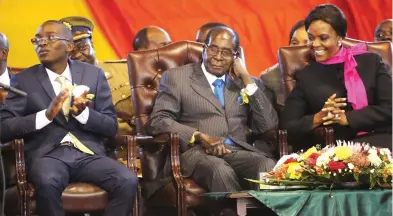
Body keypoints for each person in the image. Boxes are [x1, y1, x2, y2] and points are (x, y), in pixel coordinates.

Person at [0, 20, 138, 216]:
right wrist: (45, 116)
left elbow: (110, 126)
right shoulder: (23, 80)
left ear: (70, 46)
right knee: (47, 182)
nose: (42, 44)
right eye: (37, 40)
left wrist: (83, 113)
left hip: (88, 154)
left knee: (127, 180)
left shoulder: (94, 75)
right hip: (47, 155)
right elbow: (4, 128)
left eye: (50, 38)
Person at [147, 26, 277, 197]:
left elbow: (268, 125)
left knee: (266, 166)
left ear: (235, 56)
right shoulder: (177, 78)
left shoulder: (245, 82)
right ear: (204, 49)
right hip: (197, 154)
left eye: (226, 52)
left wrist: (245, 77)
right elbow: (158, 120)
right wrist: (199, 136)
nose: (217, 57)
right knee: (220, 171)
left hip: (237, 151)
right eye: (213, 49)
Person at [281, 4, 392, 151]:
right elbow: (287, 127)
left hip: (385, 140)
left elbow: (390, 108)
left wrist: (348, 118)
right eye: (311, 37)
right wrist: (318, 117)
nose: (315, 44)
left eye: (323, 38)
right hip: (341, 149)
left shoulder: (371, 62)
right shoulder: (307, 76)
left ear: (340, 37)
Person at [60, 16, 135, 136]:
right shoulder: (59, 85)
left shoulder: (126, 70)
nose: (77, 56)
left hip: (129, 150)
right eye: (69, 53)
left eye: (83, 48)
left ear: (93, 45)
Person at [259, 20, 307, 114]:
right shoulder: (270, 78)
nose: (298, 48)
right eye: (294, 43)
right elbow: (268, 123)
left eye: (306, 43)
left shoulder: (333, 71)